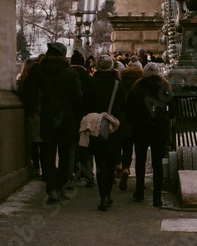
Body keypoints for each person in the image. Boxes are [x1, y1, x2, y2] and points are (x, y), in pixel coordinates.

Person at [22, 41, 82, 204]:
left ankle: (51, 189)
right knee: (64, 154)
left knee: (47, 154)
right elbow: (78, 97)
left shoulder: (39, 70)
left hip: (46, 117)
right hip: (66, 118)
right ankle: (62, 186)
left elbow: (27, 90)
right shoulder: (70, 72)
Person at [126, 62, 172, 207]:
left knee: (140, 160)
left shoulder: (137, 88)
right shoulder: (165, 88)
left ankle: (140, 190)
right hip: (159, 130)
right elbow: (172, 110)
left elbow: (129, 110)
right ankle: (157, 196)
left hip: (141, 130)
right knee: (157, 163)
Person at [85, 54, 126, 211]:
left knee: (100, 163)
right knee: (111, 162)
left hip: (96, 127)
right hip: (114, 128)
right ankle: (108, 193)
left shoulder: (90, 83)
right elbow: (123, 106)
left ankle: (103, 196)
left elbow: (85, 105)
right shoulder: (118, 85)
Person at [116, 59, 144, 191]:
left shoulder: (120, 85)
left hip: (125, 122)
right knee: (140, 152)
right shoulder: (141, 86)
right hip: (139, 123)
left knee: (126, 149)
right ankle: (140, 181)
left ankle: (125, 168)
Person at [69, 49, 95, 187]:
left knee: (71, 147)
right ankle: (88, 174)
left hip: (69, 116)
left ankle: (72, 172)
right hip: (86, 117)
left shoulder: (66, 76)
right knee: (86, 147)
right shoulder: (89, 79)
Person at [16, 56, 43, 178]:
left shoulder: (23, 83)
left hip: (31, 115)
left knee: (34, 144)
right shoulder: (37, 83)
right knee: (40, 143)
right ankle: (42, 168)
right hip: (38, 114)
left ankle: (37, 167)